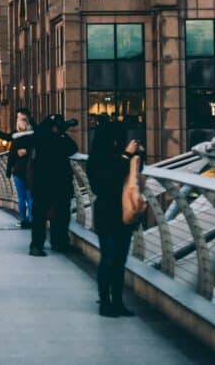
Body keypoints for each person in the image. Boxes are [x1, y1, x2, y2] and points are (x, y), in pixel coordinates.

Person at [87, 121, 141, 317]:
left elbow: (133, 177)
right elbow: (103, 183)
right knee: (108, 258)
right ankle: (105, 301)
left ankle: (118, 302)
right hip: (107, 213)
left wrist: (136, 155)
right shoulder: (97, 158)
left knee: (120, 260)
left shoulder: (118, 155)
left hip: (124, 214)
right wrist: (125, 156)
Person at [28, 114, 78, 256]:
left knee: (59, 214)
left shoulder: (50, 137)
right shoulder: (42, 137)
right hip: (47, 182)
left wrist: (61, 134)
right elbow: (70, 148)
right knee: (43, 215)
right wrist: (60, 135)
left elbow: (73, 148)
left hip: (54, 182)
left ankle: (55, 243)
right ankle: (41, 244)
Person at [0, 108, 35, 228]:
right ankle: (33, 220)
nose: (17, 120)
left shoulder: (16, 136)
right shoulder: (34, 136)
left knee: (21, 197)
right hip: (31, 170)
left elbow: (10, 149)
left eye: (19, 118)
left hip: (18, 170)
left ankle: (23, 220)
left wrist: (8, 171)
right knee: (30, 197)